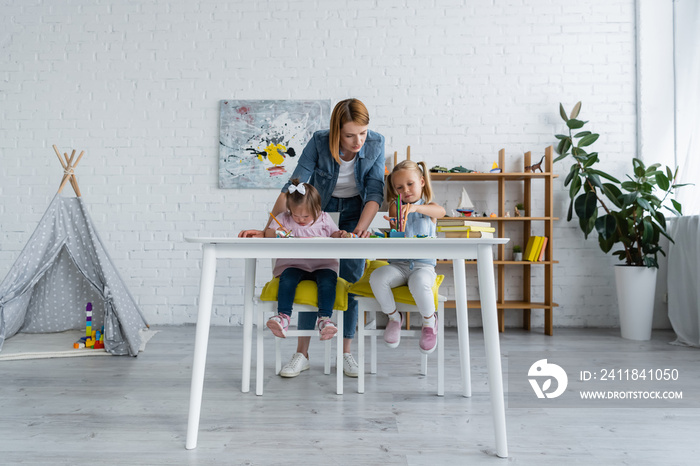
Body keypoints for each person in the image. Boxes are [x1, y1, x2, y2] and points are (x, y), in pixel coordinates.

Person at [239, 98, 385, 378]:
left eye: (363, 133)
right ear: (335, 132)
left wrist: (358, 232)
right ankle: (302, 353)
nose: (358, 142)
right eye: (350, 135)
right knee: (308, 268)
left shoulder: (376, 144)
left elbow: (375, 191)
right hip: (316, 207)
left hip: (357, 210)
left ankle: (346, 353)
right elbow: (294, 186)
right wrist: (268, 228)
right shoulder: (319, 142)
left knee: (351, 278)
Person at [369, 160, 446, 354]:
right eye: (399, 188)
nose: (406, 190)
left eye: (410, 184)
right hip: (399, 265)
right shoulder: (396, 208)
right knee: (377, 277)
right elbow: (397, 230)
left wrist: (416, 208)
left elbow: (441, 212)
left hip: (423, 267)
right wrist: (394, 223)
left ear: (421, 181)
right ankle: (394, 317)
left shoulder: (430, 208)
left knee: (419, 283)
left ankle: (429, 322)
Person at [265, 179, 347, 345]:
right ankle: (284, 317)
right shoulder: (284, 219)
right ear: (290, 210)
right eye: (296, 215)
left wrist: (340, 235)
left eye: (306, 216)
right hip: (293, 264)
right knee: (287, 279)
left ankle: (325, 320)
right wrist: (277, 233)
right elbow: (267, 233)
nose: (300, 220)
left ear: (317, 209)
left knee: (328, 281)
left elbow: (334, 234)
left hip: (322, 265)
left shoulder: (324, 219)